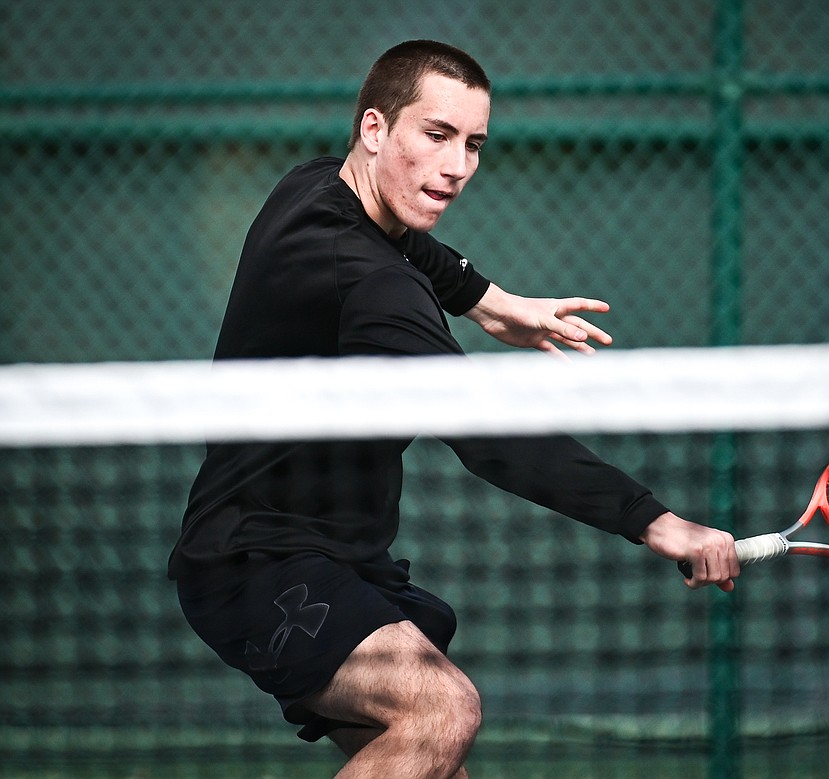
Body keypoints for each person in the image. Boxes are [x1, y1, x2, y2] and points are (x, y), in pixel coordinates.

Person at [168, 39, 739, 779]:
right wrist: (655, 520)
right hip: (256, 562)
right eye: (436, 135)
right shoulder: (374, 290)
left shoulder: (310, 189)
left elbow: (409, 247)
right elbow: (491, 433)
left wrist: (494, 305)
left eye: (473, 143)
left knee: (433, 759)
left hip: (326, 553)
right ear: (376, 129)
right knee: (441, 708)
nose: (457, 166)